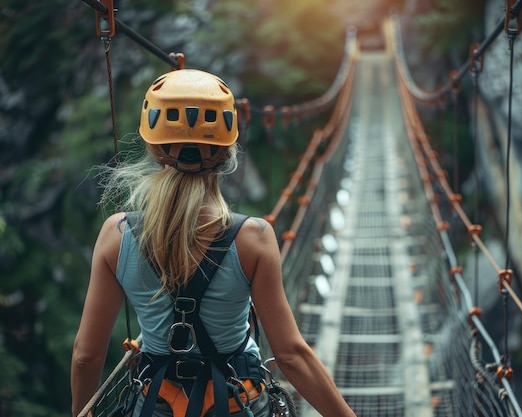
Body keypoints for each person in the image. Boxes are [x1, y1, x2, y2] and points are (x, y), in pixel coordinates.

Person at [71, 69, 357, 417]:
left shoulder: (115, 235)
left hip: (156, 403)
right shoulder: (255, 239)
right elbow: (290, 355)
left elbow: (87, 356)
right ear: (226, 152)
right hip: (235, 403)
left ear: (153, 147)